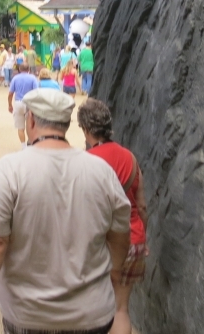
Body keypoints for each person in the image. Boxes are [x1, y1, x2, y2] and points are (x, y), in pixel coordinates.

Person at [0, 90, 131, 334]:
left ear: (31, 119)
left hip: (29, 314)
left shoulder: (10, 170)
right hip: (91, 313)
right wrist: (114, 272)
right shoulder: (101, 171)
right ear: (65, 124)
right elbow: (119, 235)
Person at [78, 99, 149, 334]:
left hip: (104, 244)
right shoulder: (130, 157)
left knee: (95, 309)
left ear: (86, 129)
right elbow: (142, 204)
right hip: (134, 238)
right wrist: (142, 238)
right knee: (121, 309)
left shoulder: (86, 162)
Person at [7, 66, 38, 145]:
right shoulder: (32, 78)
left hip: (18, 102)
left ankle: (23, 145)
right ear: (29, 69)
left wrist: (10, 104)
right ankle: (30, 142)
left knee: (20, 127)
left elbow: (10, 93)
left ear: (19, 70)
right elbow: (37, 92)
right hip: (29, 103)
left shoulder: (15, 78)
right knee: (30, 125)